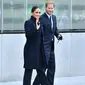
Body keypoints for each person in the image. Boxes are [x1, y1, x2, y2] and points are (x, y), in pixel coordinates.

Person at [33, 1, 63, 85]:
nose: (50, 9)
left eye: (52, 8)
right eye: (49, 8)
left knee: (52, 68)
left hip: (51, 47)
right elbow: (39, 32)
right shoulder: (41, 18)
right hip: (43, 48)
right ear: (46, 8)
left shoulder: (54, 17)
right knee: (42, 70)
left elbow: (54, 29)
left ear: (54, 8)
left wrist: (58, 35)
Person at [23, 6, 47, 85]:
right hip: (30, 51)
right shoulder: (28, 23)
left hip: (39, 51)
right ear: (32, 13)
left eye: (39, 12)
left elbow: (41, 37)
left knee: (41, 72)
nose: (38, 14)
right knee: (28, 71)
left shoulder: (40, 23)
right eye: (36, 12)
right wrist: (36, 29)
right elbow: (28, 35)